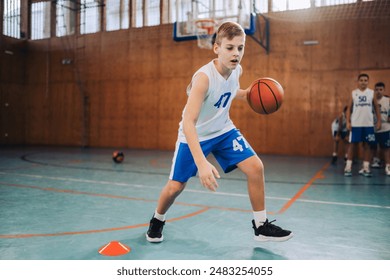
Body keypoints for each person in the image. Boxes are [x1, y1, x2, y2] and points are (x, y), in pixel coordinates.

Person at [146, 22, 293, 243]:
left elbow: (229, 92)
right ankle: (157, 220)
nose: (236, 54)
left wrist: (249, 94)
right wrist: (202, 163)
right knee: (176, 186)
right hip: (194, 136)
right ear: (216, 48)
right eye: (230, 48)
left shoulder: (236, 70)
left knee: (255, 168)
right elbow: (188, 121)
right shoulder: (203, 78)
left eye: (240, 48)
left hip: (223, 131)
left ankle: (261, 226)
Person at [344, 73, 381, 177]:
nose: (363, 82)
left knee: (368, 145)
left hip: (368, 124)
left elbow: (376, 108)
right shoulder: (353, 93)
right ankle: (348, 167)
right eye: (361, 80)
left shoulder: (371, 93)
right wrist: (348, 121)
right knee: (352, 145)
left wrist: (378, 121)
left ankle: (365, 167)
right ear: (358, 81)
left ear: (368, 82)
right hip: (356, 124)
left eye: (365, 80)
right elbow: (349, 109)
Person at [370, 82, 390, 176]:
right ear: (374, 90)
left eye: (380, 90)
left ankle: (388, 166)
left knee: (386, 148)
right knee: (372, 146)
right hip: (372, 127)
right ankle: (374, 162)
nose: (378, 92)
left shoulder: (388, 100)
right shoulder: (371, 101)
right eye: (376, 90)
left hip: (385, 127)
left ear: (384, 90)